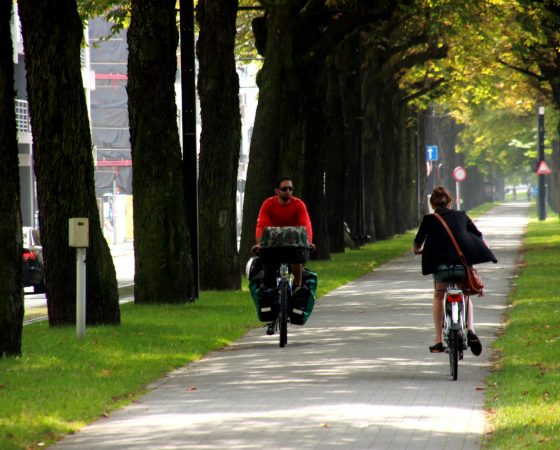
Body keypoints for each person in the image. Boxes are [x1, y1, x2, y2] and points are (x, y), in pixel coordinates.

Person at [412, 186, 497, 355]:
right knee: (465, 294)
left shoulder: (429, 220)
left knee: (438, 295)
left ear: (432, 204)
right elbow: (478, 235)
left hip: (441, 269)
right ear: (450, 202)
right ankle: (471, 329)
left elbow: (417, 243)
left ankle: (438, 339)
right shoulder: (461, 216)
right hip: (461, 267)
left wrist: (417, 250)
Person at [254, 176, 313, 334]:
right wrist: (260, 243)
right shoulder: (268, 204)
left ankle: (297, 290)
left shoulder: (298, 204)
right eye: (284, 189)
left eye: (290, 189)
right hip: (273, 246)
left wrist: (308, 241)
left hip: (293, 245)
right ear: (277, 191)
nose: (288, 192)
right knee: (269, 274)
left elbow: (306, 224)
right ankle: (271, 314)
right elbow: (261, 225)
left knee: (297, 262)